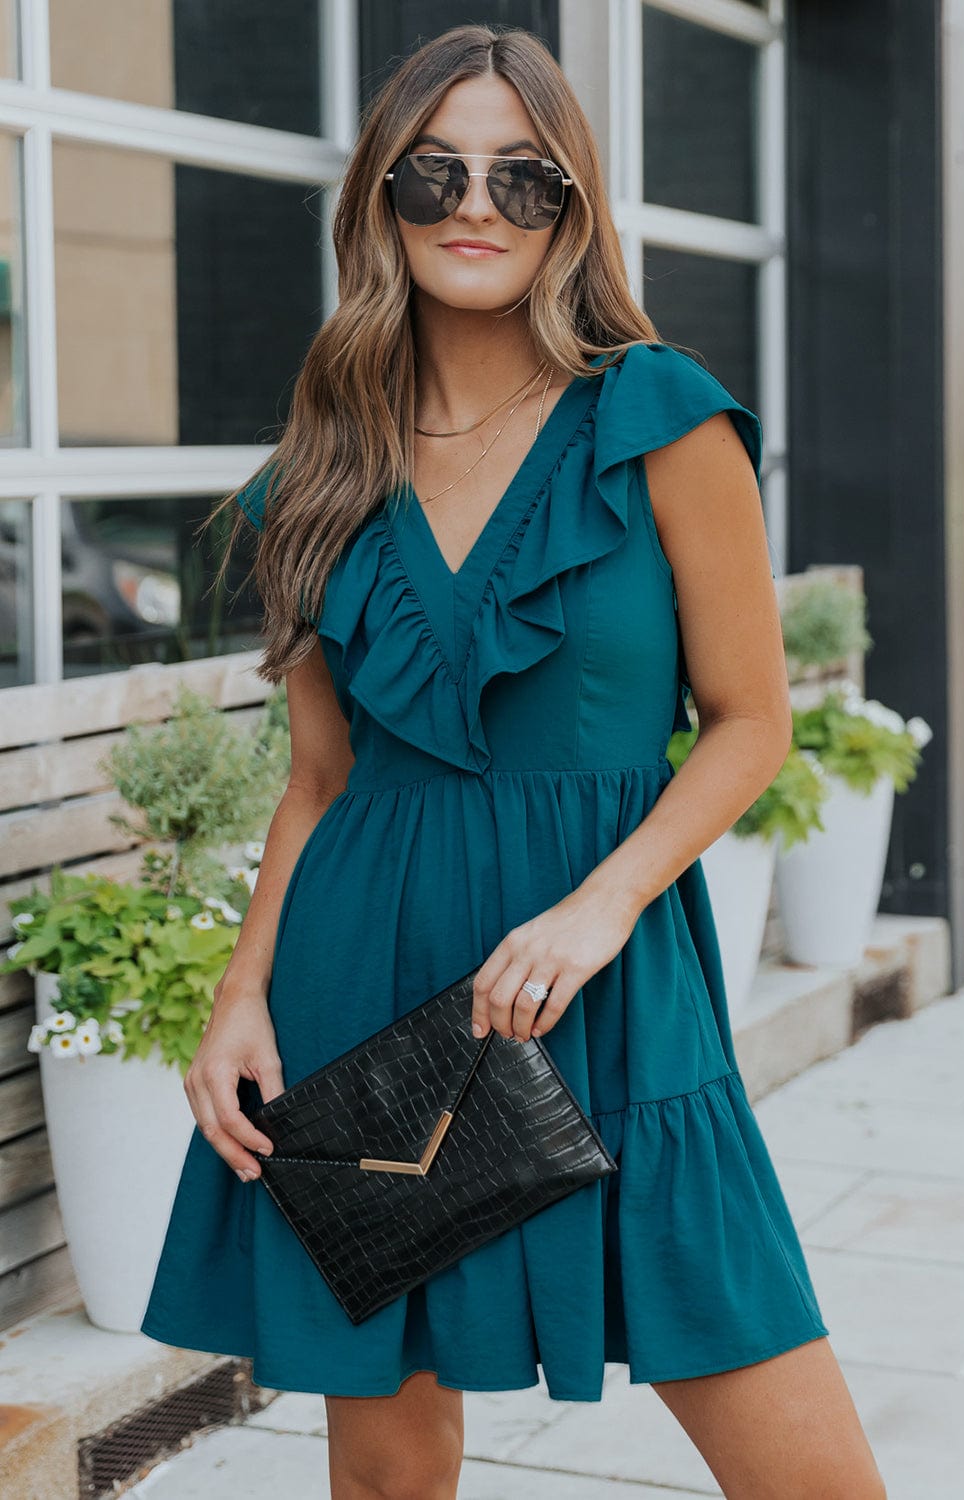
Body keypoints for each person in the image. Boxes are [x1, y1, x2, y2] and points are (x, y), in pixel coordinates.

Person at [140, 22, 887, 1500]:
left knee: (803, 1468)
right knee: (388, 1474)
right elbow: (321, 779)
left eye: (521, 178)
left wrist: (601, 905)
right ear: (379, 200)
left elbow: (750, 721)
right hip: (362, 985)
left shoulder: (655, 417)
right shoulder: (317, 475)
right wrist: (239, 997)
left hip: (601, 979)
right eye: (434, 174)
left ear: (570, 208)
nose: (475, 207)